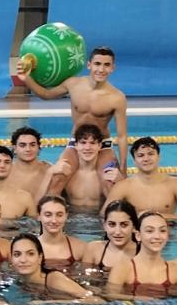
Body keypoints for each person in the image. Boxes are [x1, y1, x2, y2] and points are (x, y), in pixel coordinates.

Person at [17, 46, 128, 194]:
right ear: (89, 65)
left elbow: (122, 136)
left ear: (112, 68)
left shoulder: (117, 97)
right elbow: (46, 94)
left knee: (110, 182)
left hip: (102, 145)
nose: (101, 69)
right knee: (57, 179)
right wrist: (27, 79)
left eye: (106, 65)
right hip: (75, 144)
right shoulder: (73, 84)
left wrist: (124, 169)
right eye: (97, 64)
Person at [39, 123, 120, 212]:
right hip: (72, 218)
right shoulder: (67, 175)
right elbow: (49, 201)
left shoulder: (106, 177)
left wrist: (121, 180)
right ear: (76, 145)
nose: (87, 147)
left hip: (98, 218)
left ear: (99, 146)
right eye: (83, 143)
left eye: (92, 143)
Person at [107, 211, 177, 297]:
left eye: (162, 231)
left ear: (167, 235)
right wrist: (138, 300)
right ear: (138, 236)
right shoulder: (122, 269)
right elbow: (110, 298)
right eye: (149, 231)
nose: (157, 236)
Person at [103, 137, 177, 217]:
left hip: (169, 225)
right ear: (134, 161)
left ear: (158, 157)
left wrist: (158, 217)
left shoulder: (176, 184)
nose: (146, 159)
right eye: (140, 155)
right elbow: (104, 215)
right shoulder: (123, 186)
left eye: (150, 154)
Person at [9, 233, 97, 300]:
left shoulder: (54, 279)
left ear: (40, 257)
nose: (23, 260)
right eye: (17, 254)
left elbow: (94, 301)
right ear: (11, 259)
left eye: (30, 254)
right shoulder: (19, 281)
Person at [83, 199, 139, 271]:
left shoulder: (143, 252)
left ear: (134, 227)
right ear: (104, 226)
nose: (117, 232)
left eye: (124, 225)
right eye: (112, 224)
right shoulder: (93, 249)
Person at [37, 195, 86, 269]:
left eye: (59, 215)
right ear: (39, 216)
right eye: (48, 215)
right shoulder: (30, 247)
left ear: (66, 216)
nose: (54, 220)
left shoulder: (80, 247)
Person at [8, 126, 51, 200]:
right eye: (22, 145)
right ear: (14, 149)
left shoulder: (49, 170)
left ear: (38, 147)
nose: (28, 149)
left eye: (32, 145)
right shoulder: (6, 172)